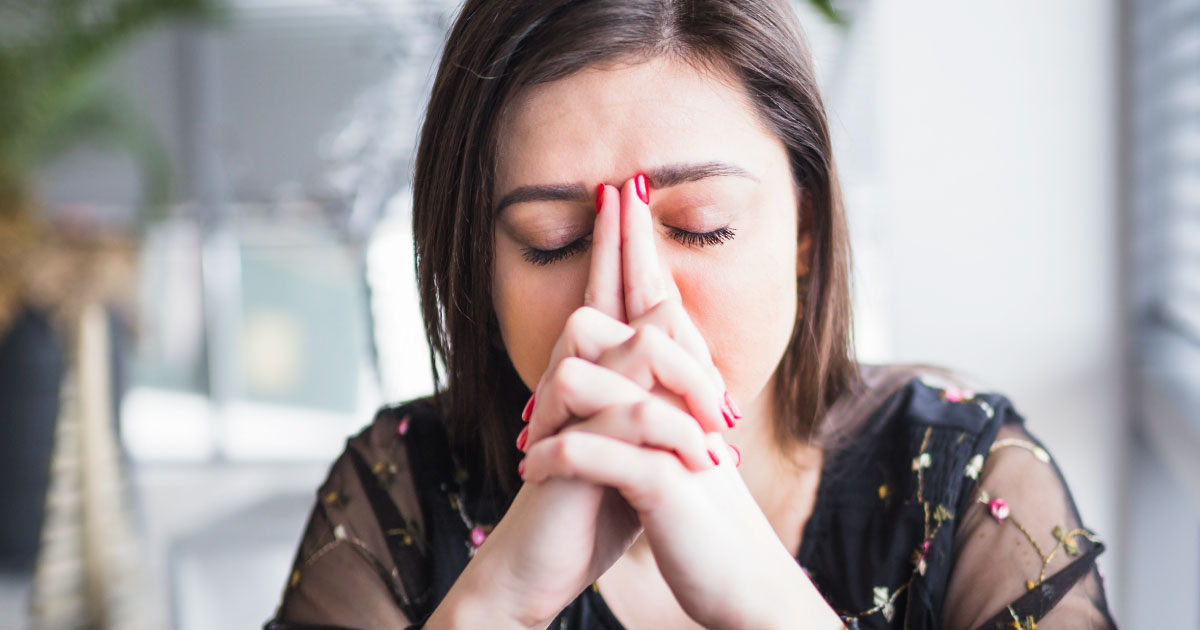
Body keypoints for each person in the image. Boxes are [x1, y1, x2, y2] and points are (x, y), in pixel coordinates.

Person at [264, 1, 1119, 628]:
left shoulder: (964, 484)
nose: (637, 300)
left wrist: (767, 603)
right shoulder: (400, 495)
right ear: (478, 264)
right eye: (554, 239)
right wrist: (496, 605)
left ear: (805, 232)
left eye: (699, 227)